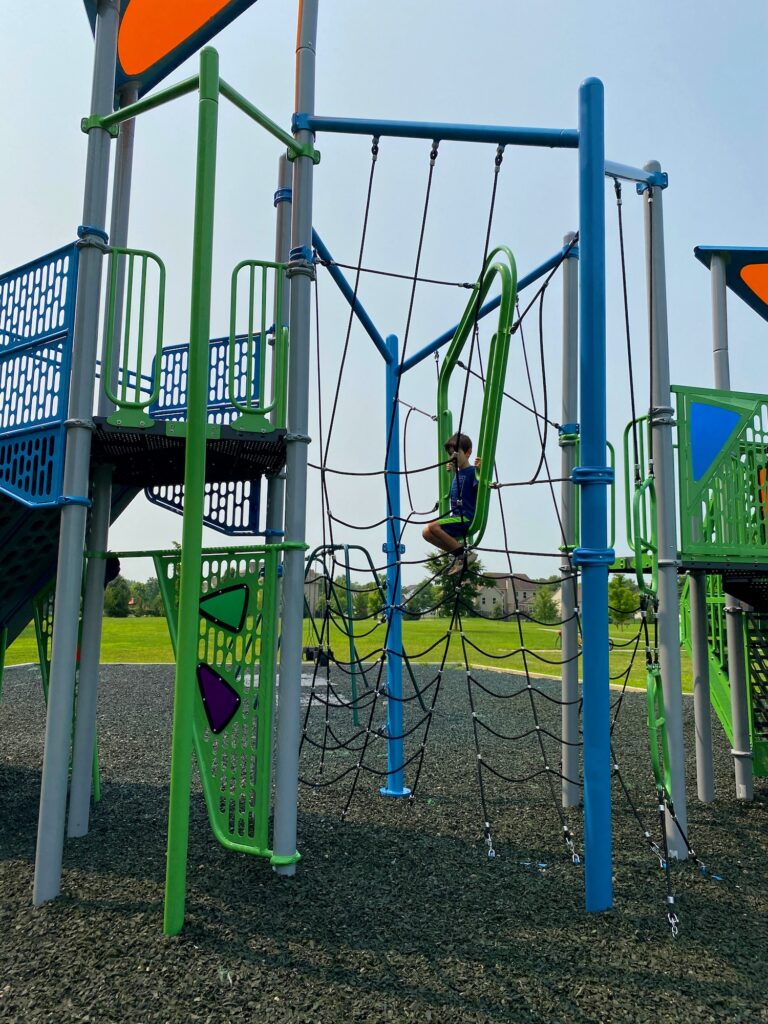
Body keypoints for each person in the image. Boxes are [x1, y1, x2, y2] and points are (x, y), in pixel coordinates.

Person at [422, 432, 480, 576]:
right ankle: (457, 553)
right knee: (426, 533)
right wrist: (454, 471)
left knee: (432, 526)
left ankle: (464, 555)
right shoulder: (458, 474)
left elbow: (481, 489)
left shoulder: (473, 472)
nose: (452, 457)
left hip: (465, 517)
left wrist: (481, 471)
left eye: (455, 453)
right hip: (456, 516)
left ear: (468, 452)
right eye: (449, 454)